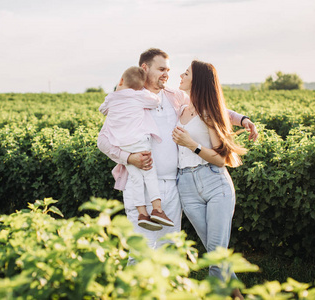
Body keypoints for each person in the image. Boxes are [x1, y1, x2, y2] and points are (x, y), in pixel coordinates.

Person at [97, 48, 258, 265]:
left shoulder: (175, 97)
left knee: (170, 250)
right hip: (140, 185)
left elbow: (212, 107)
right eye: (161, 69)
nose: (167, 74)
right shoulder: (127, 100)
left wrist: (243, 119)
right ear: (145, 68)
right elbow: (104, 142)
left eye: (169, 69)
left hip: (174, 185)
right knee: (141, 250)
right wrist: (129, 158)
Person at [172, 60, 247, 299]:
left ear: (199, 80)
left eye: (187, 72)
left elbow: (220, 159)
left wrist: (191, 145)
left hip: (214, 183)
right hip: (186, 185)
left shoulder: (208, 113)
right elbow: (229, 113)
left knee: (215, 255)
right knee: (216, 254)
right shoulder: (180, 108)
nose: (181, 75)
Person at [99, 66, 174, 231]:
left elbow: (103, 109)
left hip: (123, 146)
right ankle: (157, 210)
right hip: (140, 143)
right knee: (149, 175)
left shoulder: (111, 98)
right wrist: (144, 92)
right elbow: (156, 101)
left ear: (121, 81)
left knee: (136, 178)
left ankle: (142, 213)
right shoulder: (139, 95)